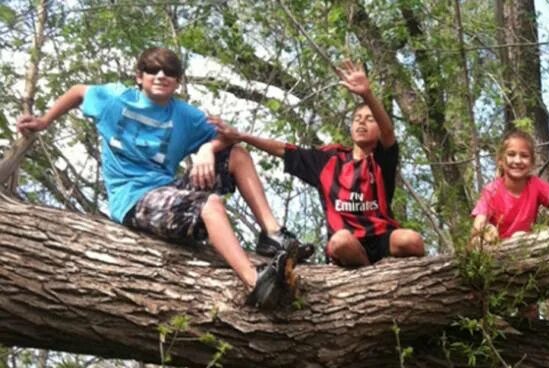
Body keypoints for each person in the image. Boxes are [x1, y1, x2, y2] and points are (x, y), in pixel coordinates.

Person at [15, 47, 304, 310]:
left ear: (178, 81)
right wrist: (44, 121)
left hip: (168, 191)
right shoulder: (114, 100)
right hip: (134, 201)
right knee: (211, 205)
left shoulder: (184, 114)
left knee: (237, 155)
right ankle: (255, 283)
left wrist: (206, 148)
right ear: (139, 77)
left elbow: (228, 135)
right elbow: (79, 91)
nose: (161, 75)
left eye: (170, 71)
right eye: (153, 70)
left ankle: (272, 234)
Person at [214, 60, 424, 267]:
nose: (362, 122)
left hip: (381, 238)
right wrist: (241, 136)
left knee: (411, 240)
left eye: (370, 119)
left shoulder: (381, 161)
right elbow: (284, 150)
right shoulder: (330, 160)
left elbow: (388, 132)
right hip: (345, 243)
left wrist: (366, 94)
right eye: (357, 118)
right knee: (342, 241)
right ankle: (368, 276)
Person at [470, 128, 549, 246]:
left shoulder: (535, 184)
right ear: (500, 161)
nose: (518, 160)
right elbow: (478, 225)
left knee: (521, 236)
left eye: (524, 156)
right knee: (484, 234)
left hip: (526, 248)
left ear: (532, 163)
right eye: (511, 154)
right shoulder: (491, 190)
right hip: (499, 250)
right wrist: (484, 233)